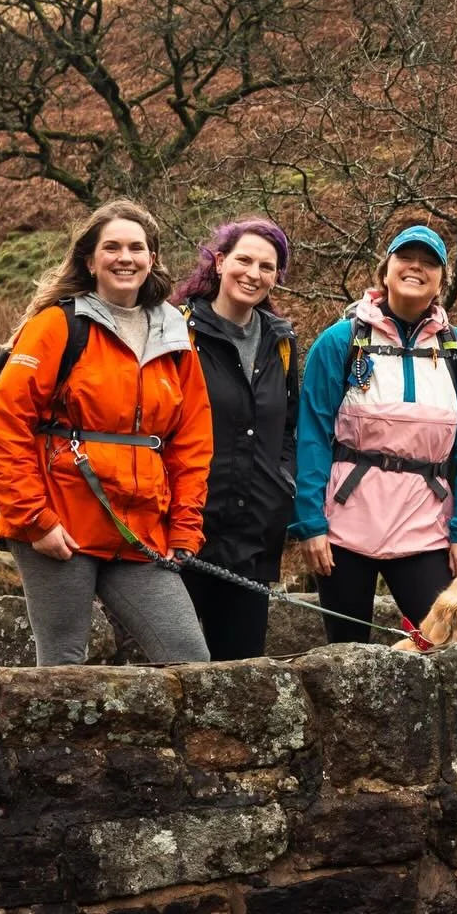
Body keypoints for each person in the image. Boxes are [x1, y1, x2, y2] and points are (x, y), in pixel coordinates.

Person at [0, 198, 212, 666]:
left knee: (189, 658)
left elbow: (191, 443)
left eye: (136, 247)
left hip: (141, 531)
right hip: (60, 526)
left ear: (152, 259)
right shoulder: (56, 326)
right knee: (63, 665)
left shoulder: (176, 336)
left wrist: (184, 529)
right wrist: (35, 522)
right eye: (112, 247)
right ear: (90, 260)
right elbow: (3, 427)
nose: (125, 257)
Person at [291, 224, 457, 642]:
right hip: (346, 523)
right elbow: (311, 434)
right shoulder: (341, 341)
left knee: (442, 645)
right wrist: (309, 522)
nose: (416, 268)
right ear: (385, 270)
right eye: (406, 258)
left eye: (429, 263)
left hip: (426, 524)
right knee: (346, 658)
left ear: (442, 280)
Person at [173, 218, 300, 660]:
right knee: (174, 667)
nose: (254, 273)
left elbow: (288, 426)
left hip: (253, 536)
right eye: (244, 260)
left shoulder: (281, 341)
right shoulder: (179, 329)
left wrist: (284, 480)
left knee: (243, 675)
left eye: (267, 266)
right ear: (220, 261)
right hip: (186, 527)